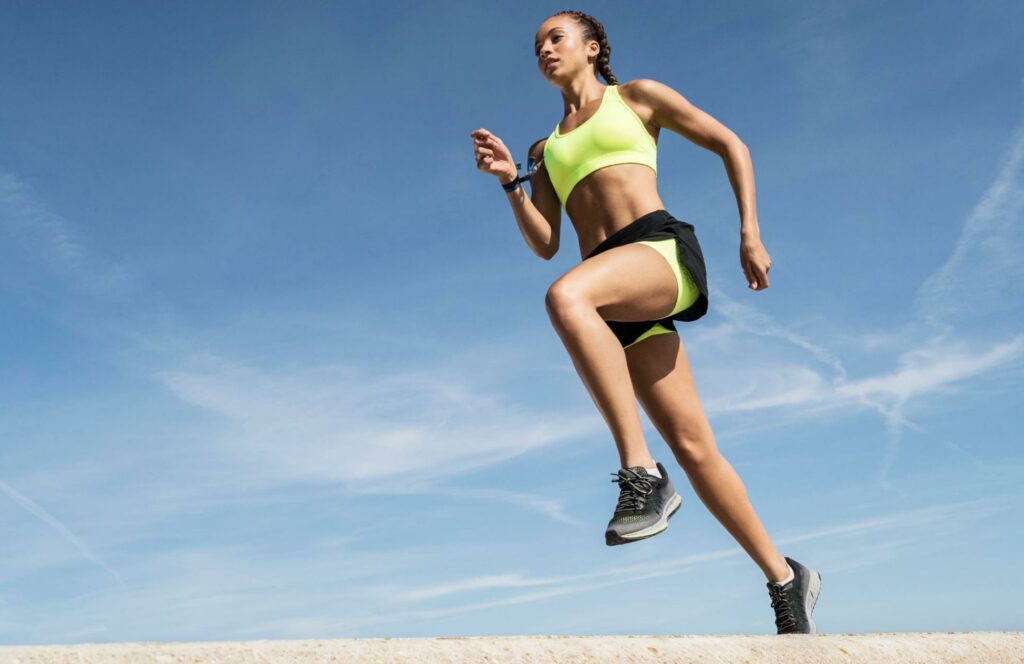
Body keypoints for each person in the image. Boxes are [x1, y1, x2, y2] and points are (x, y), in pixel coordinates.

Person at [470, 10, 821, 635]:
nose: (545, 49)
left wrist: (750, 232)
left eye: (557, 37)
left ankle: (641, 474)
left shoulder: (636, 98)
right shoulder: (543, 150)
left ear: (593, 47)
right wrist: (510, 187)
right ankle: (786, 579)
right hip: (612, 292)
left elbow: (731, 144)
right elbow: (546, 242)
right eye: (537, 44)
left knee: (564, 299)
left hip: (657, 253)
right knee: (694, 446)